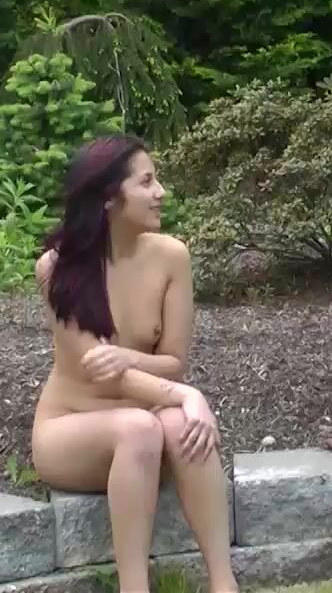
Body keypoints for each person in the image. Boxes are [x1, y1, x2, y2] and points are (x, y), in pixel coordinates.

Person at [30, 135, 238, 593]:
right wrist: (186, 394)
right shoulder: (57, 268)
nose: (161, 192)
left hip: (143, 430)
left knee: (181, 425)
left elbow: (173, 362)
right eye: (146, 182)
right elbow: (98, 372)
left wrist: (137, 362)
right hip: (70, 431)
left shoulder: (171, 256)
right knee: (143, 426)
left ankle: (224, 584)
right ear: (109, 197)